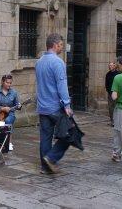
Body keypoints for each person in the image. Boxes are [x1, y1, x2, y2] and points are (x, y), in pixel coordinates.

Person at [35, 33, 73, 174]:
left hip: (43, 107)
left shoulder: (39, 62)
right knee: (70, 134)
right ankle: (51, 158)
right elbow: (61, 85)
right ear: (55, 44)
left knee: (45, 138)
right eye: (61, 45)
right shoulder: (58, 62)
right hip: (56, 107)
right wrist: (67, 106)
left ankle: (45, 168)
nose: (62, 48)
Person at [0, 74, 20, 151]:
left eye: (10, 83)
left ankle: (9, 143)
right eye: (7, 82)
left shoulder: (14, 92)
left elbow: (17, 105)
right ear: (2, 82)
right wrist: (2, 108)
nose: (9, 84)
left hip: (10, 113)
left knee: (8, 121)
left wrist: (16, 107)